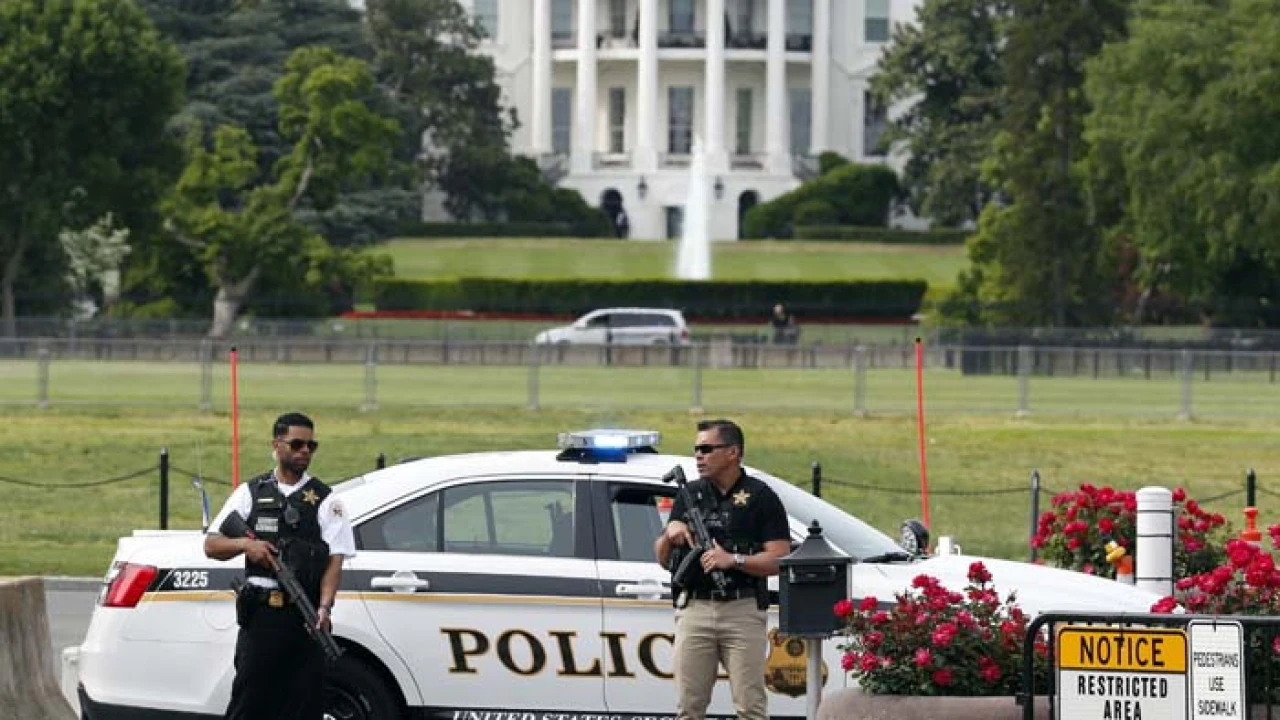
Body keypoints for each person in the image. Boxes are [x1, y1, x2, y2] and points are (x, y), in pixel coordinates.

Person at [204, 412, 355, 720]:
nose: (304, 452)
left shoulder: (326, 501)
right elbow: (212, 545)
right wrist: (246, 545)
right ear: (276, 444)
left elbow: (334, 561)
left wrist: (325, 609)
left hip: (305, 619)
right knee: (250, 703)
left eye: (311, 446)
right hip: (261, 617)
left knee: (304, 704)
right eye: (296, 444)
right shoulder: (251, 493)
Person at [653, 419, 791, 720]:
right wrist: (670, 533)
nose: (698, 456)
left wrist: (734, 560)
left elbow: (780, 559)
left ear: (732, 452)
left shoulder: (760, 496)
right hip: (695, 608)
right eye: (696, 450)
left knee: (750, 707)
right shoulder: (690, 494)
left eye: (706, 449)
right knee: (689, 708)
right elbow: (664, 560)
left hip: (742, 609)